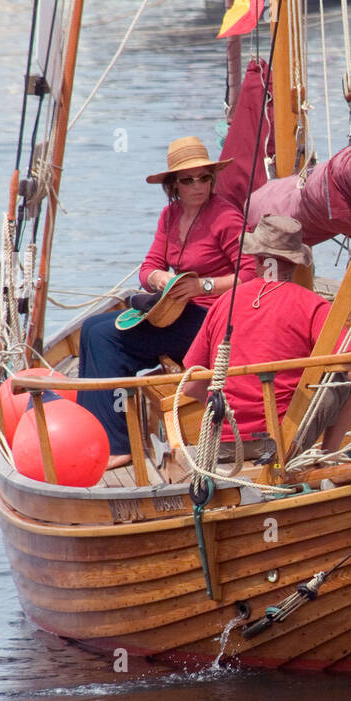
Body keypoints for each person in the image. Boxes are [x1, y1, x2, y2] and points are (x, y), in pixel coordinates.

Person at [77, 136, 256, 467]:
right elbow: (148, 268)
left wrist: (203, 286)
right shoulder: (170, 216)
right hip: (179, 313)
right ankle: (91, 433)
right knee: (89, 328)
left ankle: (118, 444)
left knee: (106, 339)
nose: (198, 185)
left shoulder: (225, 217)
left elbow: (250, 275)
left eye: (204, 177)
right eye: (188, 180)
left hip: (210, 320)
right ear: (174, 184)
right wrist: (159, 279)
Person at [182, 215, 351, 461]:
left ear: (257, 259)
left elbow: (190, 386)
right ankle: (330, 455)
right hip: (278, 446)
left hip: (218, 446)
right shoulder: (312, 305)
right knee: (347, 364)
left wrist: (230, 412)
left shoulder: (223, 303)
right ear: (296, 264)